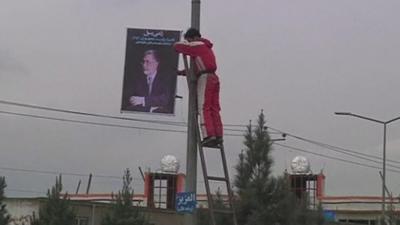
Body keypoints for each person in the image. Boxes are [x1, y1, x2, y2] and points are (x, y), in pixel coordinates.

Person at [173, 28, 223, 147]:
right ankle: (218, 135)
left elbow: (179, 47)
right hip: (213, 78)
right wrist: (181, 72)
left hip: (205, 78)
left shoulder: (197, 44)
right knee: (213, 108)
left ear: (193, 38)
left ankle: (208, 135)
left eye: (189, 39)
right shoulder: (205, 48)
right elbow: (196, 68)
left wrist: (180, 43)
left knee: (203, 107)